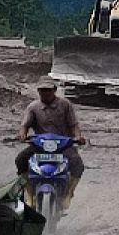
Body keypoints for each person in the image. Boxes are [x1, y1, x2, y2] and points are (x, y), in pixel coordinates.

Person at [16, 77, 86, 210]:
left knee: (77, 163)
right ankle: (29, 193)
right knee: (20, 160)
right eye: (42, 90)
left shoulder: (65, 105)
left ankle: (68, 194)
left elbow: (74, 124)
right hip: (40, 145)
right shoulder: (33, 107)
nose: (45, 93)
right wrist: (22, 135)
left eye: (48, 90)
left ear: (54, 90)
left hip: (63, 144)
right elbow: (24, 125)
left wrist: (78, 137)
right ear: (38, 91)